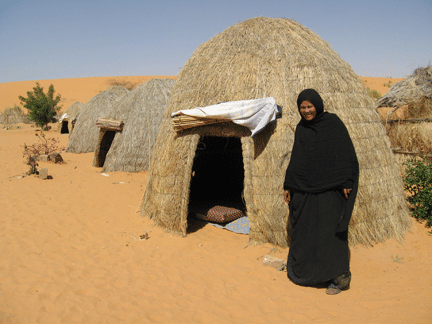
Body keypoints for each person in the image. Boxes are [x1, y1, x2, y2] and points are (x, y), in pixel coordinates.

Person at [283, 89, 359, 295]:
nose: (307, 111)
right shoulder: (301, 128)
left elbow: (345, 152)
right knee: (306, 232)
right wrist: (289, 185)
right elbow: (297, 159)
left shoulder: (332, 123)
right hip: (305, 189)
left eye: (310, 106)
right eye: (303, 107)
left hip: (330, 189)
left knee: (331, 233)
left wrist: (346, 181)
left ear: (318, 104)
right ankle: (308, 273)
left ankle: (339, 279)